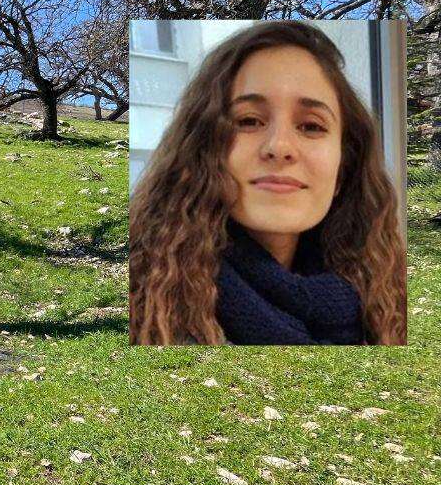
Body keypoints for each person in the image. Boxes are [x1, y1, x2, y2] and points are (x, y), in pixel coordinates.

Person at [129, 21, 407, 345]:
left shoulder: (382, 299)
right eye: (249, 121)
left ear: (343, 168)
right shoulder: (143, 302)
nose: (279, 147)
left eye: (311, 126)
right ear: (203, 148)